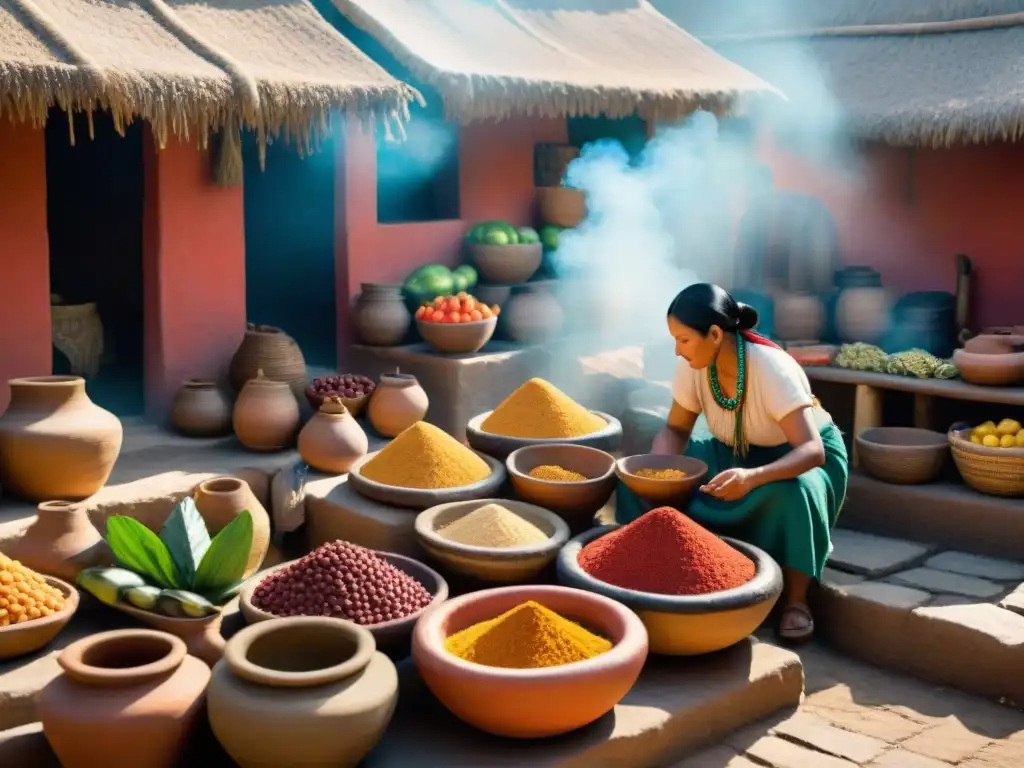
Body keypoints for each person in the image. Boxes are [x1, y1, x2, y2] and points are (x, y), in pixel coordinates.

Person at [617, 283, 848, 644]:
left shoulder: (772, 369)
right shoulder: (694, 365)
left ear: (714, 333)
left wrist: (753, 477)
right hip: (734, 449)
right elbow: (676, 428)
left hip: (795, 459)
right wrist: (656, 471)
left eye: (684, 340)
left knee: (796, 493)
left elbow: (811, 451)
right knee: (633, 479)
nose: (677, 351)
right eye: (674, 340)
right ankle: (652, 573)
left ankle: (797, 601)